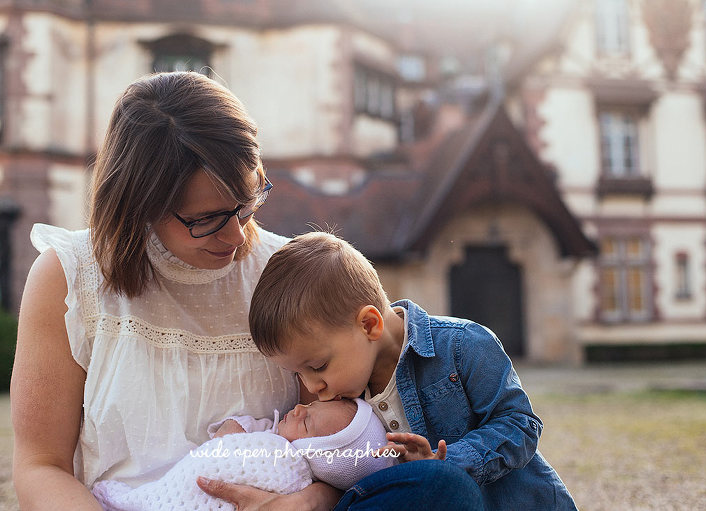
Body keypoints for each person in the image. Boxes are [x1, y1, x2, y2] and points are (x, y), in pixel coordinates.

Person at [11, 71, 484, 511]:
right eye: (206, 220)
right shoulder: (70, 277)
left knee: (444, 489)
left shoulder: (289, 275)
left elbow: (339, 444)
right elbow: (39, 467)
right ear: (140, 205)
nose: (237, 237)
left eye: (246, 203)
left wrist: (309, 501)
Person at [249, 231, 580, 510]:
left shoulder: (463, 345)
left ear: (368, 324)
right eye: (298, 375)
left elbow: (520, 424)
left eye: (318, 366)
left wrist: (446, 462)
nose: (312, 387)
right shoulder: (339, 396)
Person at [92, 399, 397, 510]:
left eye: (306, 421)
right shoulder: (268, 430)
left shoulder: (294, 470)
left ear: (313, 453)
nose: (301, 408)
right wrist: (232, 440)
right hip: (183, 482)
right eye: (313, 405)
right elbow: (231, 431)